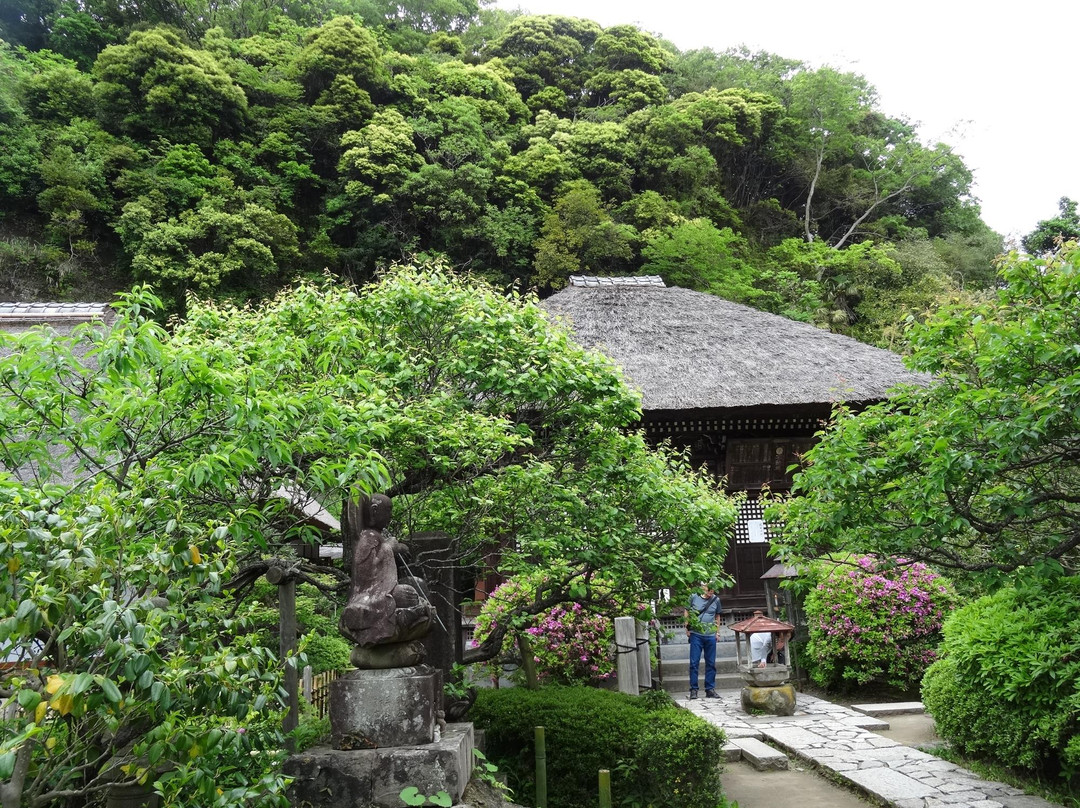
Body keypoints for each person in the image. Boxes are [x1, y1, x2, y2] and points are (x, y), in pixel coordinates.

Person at [686, 582, 722, 699]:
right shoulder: (693, 597)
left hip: (710, 634)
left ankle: (710, 689)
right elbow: (687, 611)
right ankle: (694, 689)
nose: (710, 593)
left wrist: (717, 632)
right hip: (696, 634)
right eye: (709, 591)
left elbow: (717, 616)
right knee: (694, 663)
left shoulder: (716, 600)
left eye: (712, 591)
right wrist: (687, 627)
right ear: (704, 588)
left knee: (711, 663)